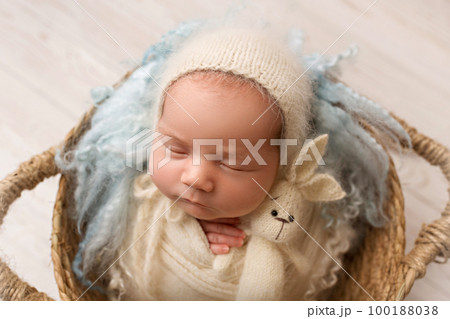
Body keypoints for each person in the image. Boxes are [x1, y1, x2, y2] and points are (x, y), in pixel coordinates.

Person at [105, 27, 350, 300]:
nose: (195, 178)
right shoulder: (141, 200)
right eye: (176, 149)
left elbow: (300, 280)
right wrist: (183, 227)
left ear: (284, 165)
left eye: (234, 164)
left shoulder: (293, 222)